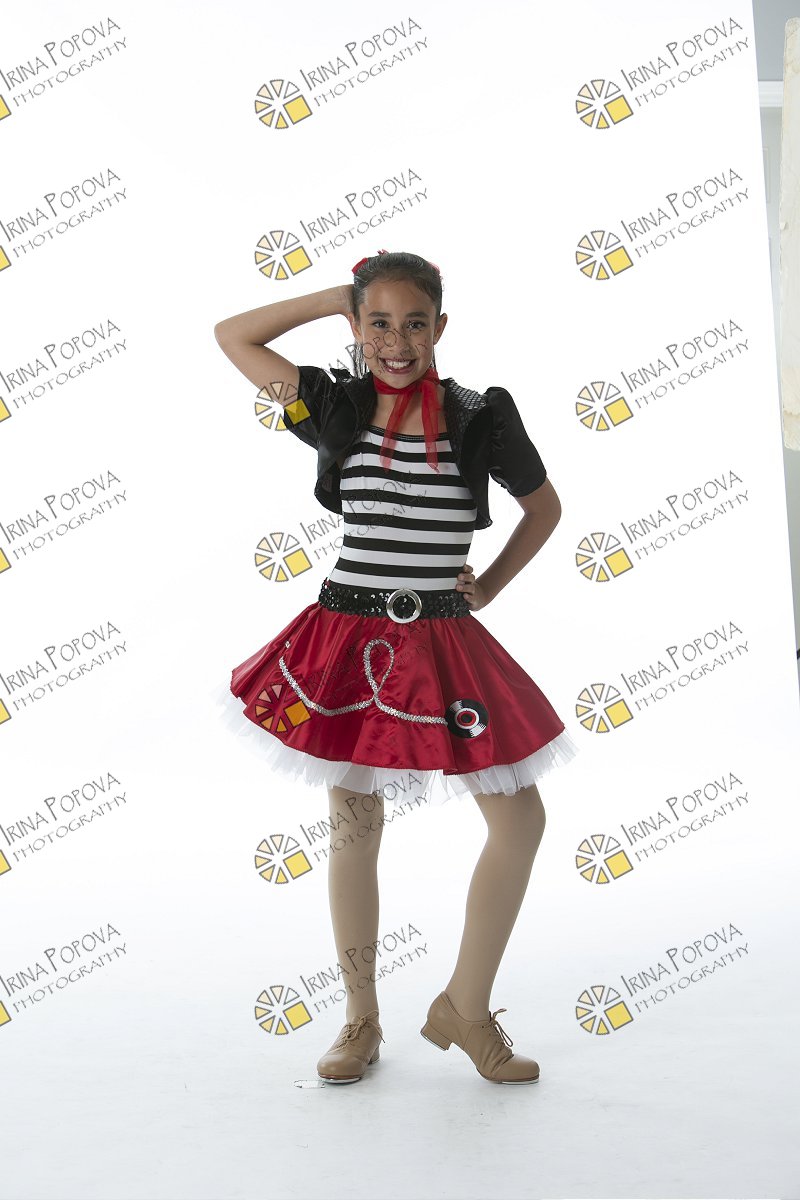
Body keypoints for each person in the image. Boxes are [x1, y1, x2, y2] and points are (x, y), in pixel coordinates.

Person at [213, 250, 579, 1086]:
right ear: (356, 326)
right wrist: (336, 298)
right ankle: (360, 1018)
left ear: (440, 327)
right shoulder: (331, 404)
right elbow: (234, 336)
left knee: (520, 820)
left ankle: (465, 1006)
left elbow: (544, 508)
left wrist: (489, 585)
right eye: (378, 323)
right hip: (347, 637)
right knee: (354, 823)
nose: (397, 341)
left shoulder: (481, 415)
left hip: (443, 638)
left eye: (415, 323)